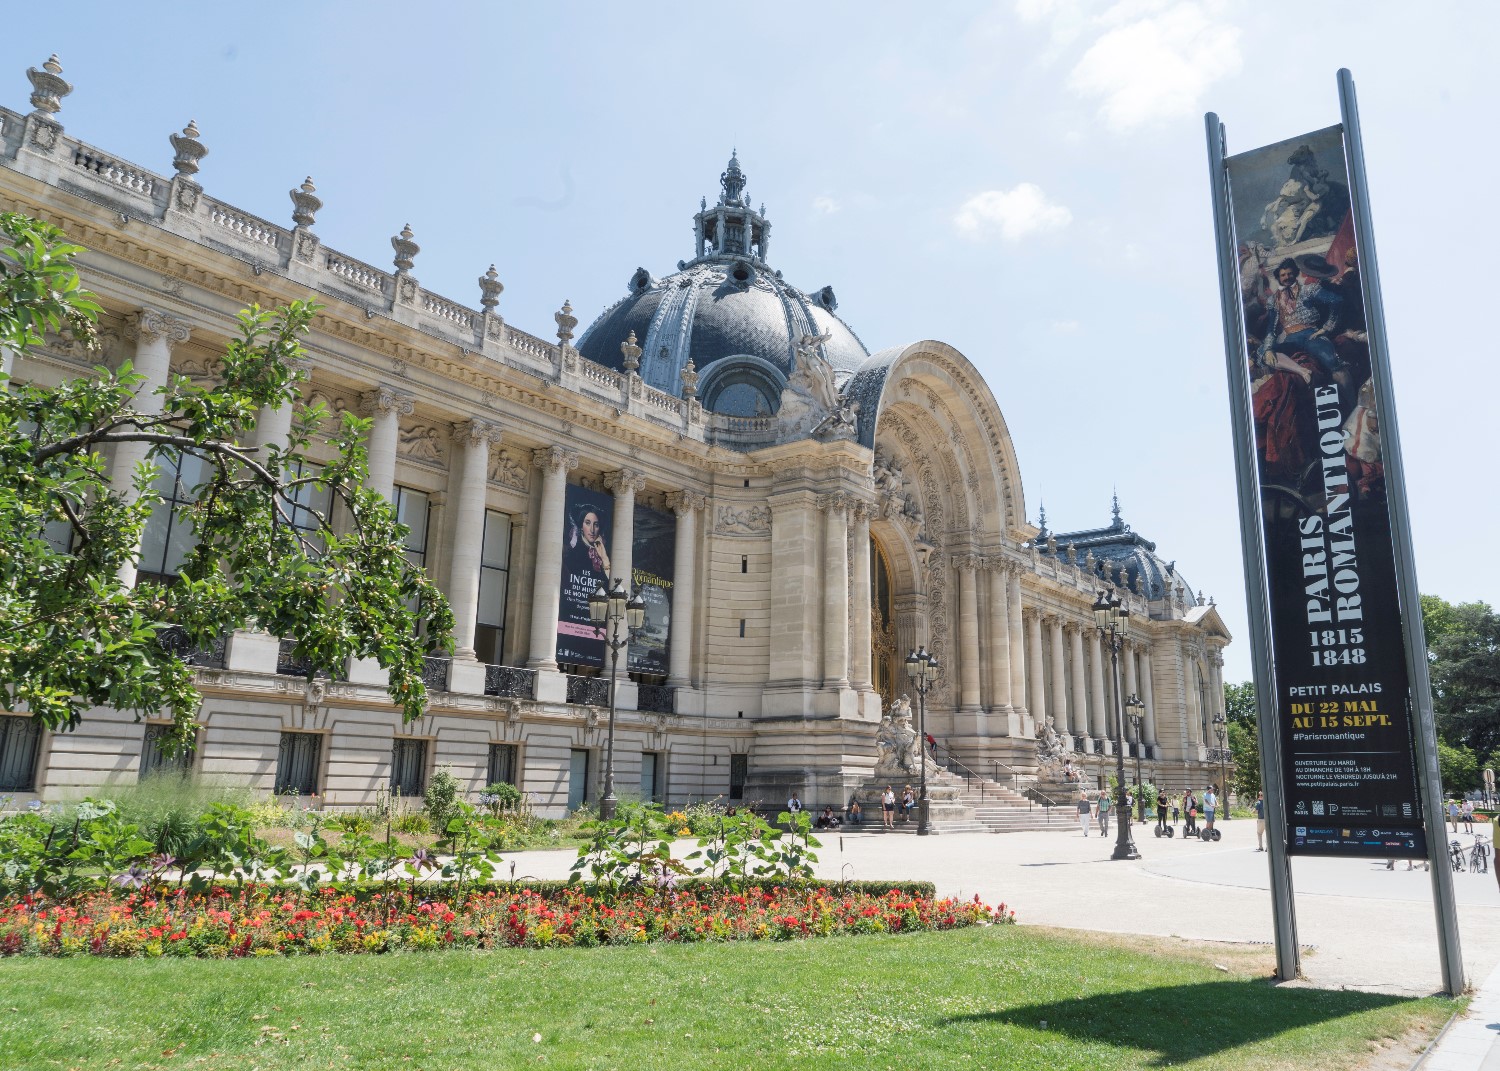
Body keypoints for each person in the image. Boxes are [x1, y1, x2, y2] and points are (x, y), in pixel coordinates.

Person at [564, 502, 611, 589]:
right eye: (588, 523)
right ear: (581, 526)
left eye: (596, 524)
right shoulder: (574, 553)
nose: (592, 530)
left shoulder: (604, 553)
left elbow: (612, 583)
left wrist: (604, 557)